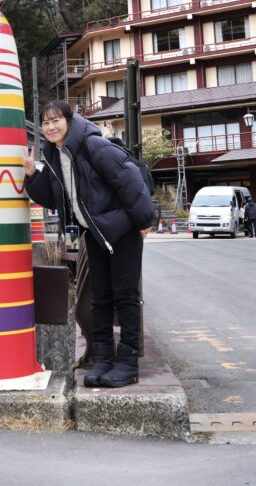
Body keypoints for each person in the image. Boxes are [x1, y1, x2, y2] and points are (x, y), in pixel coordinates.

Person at [24, 101, 155, 388]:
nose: (50, 127)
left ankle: (128, 363)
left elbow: (129, 180)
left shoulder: (93, 145)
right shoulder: (57, 155)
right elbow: (54, 198)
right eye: (45, 123)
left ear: (70, 121)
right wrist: (33, 174)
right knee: (101, 299)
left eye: (56, 120)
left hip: (122, 231)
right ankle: (104, 360)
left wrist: (144, 219)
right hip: (94, 233)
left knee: (126, 296)